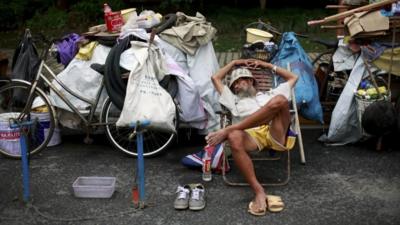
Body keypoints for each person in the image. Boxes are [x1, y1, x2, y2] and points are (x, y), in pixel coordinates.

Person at [206, 58, 298, 216]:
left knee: (280, 100)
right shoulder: (233, 99)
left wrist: (267, 65)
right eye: (234, 84)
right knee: (234, 136)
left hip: (275, 131)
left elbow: (293, 77)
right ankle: (259, 191)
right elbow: (215, 78)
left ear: (250, 81)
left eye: (239, 81)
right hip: (250, 135)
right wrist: (235, 62)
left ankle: (230, 128)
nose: (236, 85)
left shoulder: (270, 93)